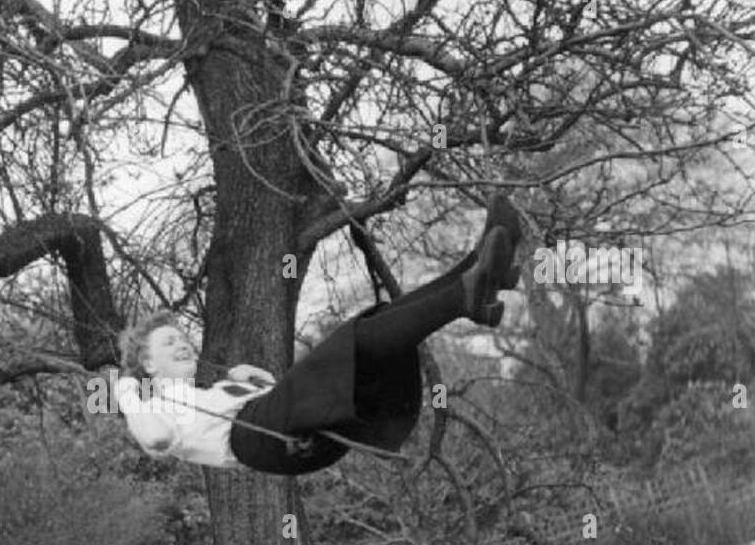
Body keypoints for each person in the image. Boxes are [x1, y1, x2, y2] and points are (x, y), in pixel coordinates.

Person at [116, 194, 522, 475]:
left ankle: (479, 271)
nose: (183, 342)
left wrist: (246, 384)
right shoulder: (155, 407)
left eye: (182, 336)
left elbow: (297, 401)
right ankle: (469, 293)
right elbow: (156, 438)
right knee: (354, 342)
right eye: (169, 342)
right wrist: (126, 394)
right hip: (265, 442)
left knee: (375, 326)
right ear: (148, 363)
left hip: (286, 433)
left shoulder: (205, 395)